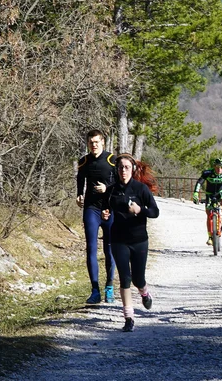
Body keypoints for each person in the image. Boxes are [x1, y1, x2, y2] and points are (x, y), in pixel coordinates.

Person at [102, 153, 160, 332]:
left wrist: (140, 209)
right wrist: (105, 215)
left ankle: (144, 292)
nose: (123, 171)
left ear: (132, 169)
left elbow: (155, 212)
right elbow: (105, 209)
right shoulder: (111, 190)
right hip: (119, 239)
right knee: (125, 278)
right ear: (117, 170)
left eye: (127, 167)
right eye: (120, 168)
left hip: (139, 240)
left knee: (138, 278)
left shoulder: (141, 189)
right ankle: (129, 318)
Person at [76, 129, 117, 304]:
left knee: (109, 250)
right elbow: (80, 179)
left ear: (103, 143)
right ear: (88, 143)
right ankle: (94, 291)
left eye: (97, 142)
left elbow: (120, 182)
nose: (94, 145)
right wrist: (79, 194)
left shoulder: (112, 160)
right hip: (91, 209)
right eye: (91, 142)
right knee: (91, 248)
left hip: (109, 209)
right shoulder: (84, 161)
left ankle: (109, 287)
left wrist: (106, 188)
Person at [192, 158, 222, 246]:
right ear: (214, 166)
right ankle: (210, 236)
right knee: (208, 213)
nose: (219, 169)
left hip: (221, 192)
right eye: (217, 167)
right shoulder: (208, 173)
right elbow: (199, 182)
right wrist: (195, 193)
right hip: (210, 193)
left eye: (221, 167)